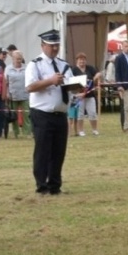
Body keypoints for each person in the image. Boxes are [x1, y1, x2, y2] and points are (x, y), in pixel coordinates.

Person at [25, 28, 74, 195]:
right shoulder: (35, 64)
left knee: (58, 152)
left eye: (57, 45)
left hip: (60, 114)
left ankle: (55, 185)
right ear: (42, 46)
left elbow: (69, 85)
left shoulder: (64, 65)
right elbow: (30, 87)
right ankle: (42, 186)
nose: (54, 48)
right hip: (42, 114)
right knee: (43, 152)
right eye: (51, 45)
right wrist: (51, 81)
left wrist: (77, 87)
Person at [71, 51, 100, 136]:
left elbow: (98, 73)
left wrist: (96, 77)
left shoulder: (90, 68)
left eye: (83, 60)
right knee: (80, 114)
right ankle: (81, 130)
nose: (82, 61)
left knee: (93, 113)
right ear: (77, 61)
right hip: (79, 96)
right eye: (80, 60)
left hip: (90, 95)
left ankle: (94, 129)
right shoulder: (74, 70)